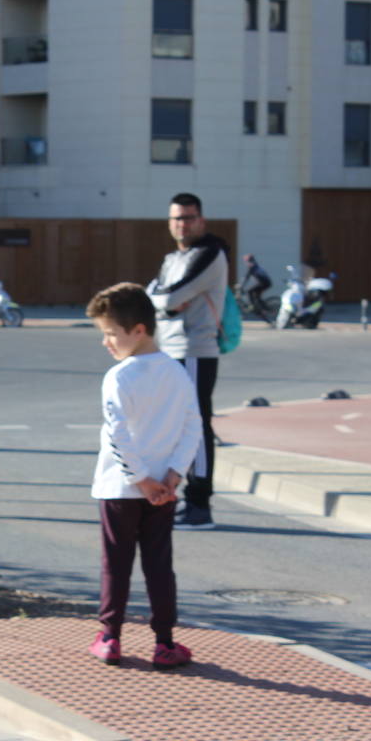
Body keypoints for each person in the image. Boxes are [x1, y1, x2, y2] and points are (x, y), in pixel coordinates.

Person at [85, 283, 201, 668]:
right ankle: (165, 642)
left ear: (138, 330)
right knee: (158, 565)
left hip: (120, 489)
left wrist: (138, 480)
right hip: (163, 491)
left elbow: (116, 433)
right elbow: (192, 427)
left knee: (115, 564)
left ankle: (110, 637)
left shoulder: (119, 377)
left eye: (111, 333)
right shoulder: (177, 373)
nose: (106, 342)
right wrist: (172, 476)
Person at [146, 192, 229, 530]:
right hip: (170, 349)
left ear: (202, 220)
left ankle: (200, 504)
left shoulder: (211, 253)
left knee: (196, 426)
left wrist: (164, 301)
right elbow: (153, 295)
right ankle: (184, 499)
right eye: (176, 218)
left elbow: (174, 296)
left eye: (189, 217)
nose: (182, 224)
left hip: (196, 350)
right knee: (178, 426)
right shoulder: (171, 259)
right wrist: (162, 302)